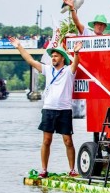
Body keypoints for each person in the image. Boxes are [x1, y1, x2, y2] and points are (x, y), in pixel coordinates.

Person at [9, 36, 83, 178]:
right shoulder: (48, 69)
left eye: (56, 56)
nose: (53, 58)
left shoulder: (68, 71)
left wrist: (76, 53)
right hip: (49, 109)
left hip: (64, 110)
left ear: (62, 58)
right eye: (52, 56)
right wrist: (19, 46)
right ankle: (44, 169)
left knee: (68, 141)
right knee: (46, 140)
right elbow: (30, 60)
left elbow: (76, 64)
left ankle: (72, 170)